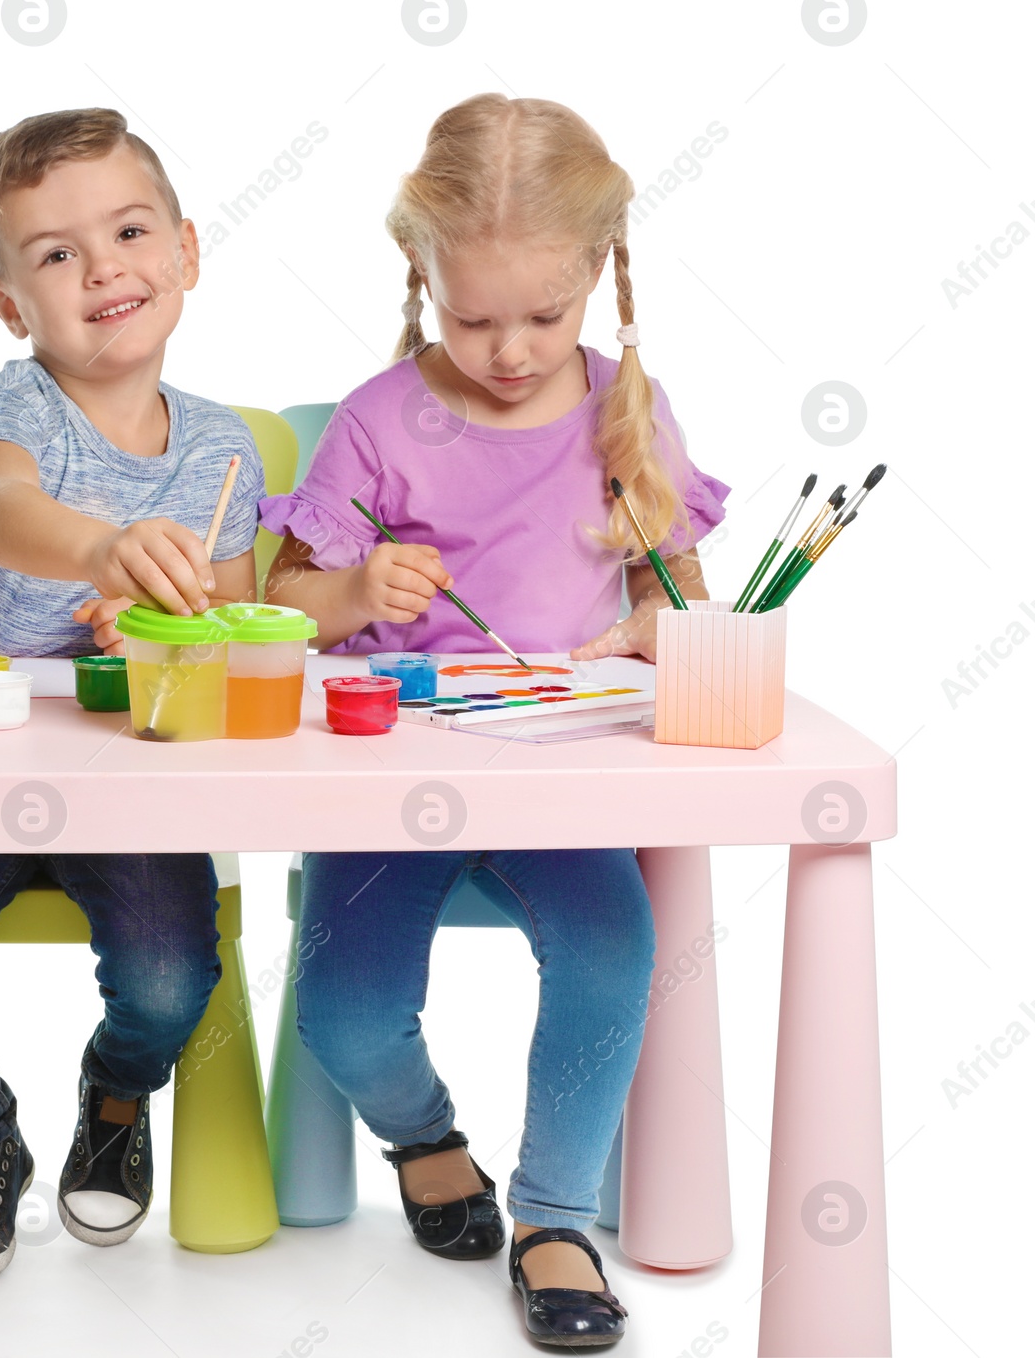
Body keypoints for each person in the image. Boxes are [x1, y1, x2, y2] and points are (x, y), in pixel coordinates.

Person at [260, 93, 729, 1346]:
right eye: (473, 318)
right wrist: (355, 590)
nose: (510, 349)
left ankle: (554, 1213)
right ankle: (425, 1137)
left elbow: (675, 591)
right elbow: (280, 606)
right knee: (345, 1016)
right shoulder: (375, 418)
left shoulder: (624, 409)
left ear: (601, 277)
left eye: (545, 315)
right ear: (420, 271)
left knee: (612, 954)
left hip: (559, 775)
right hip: (388, 776)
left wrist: (652, 616)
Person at [0, 107, 264, 1286]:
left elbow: (227, 636)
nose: (101, 269)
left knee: (176, 978)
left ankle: (118, 1093)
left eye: (129, 232)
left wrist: (167, 626)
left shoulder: (226, 448)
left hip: (123, 774)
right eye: (54, 254)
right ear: (9, 303)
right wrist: (99, 550)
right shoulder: (16, 405)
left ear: (185, 249)